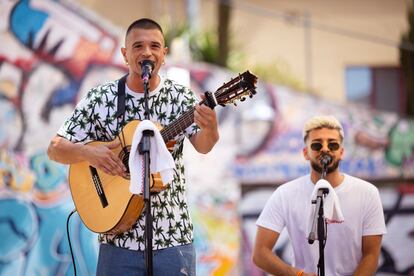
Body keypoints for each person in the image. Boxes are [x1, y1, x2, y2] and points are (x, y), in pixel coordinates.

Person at [47, 18, 219, 275]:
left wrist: (211, 127)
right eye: (138, 46)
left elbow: (203, 146)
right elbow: (55, 148)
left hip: (173, 238)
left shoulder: (181, 98)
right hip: (118, 242)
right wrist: (88, 152)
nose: (147, 52)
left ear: (164, 54)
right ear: (125, 54)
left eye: (154, 46)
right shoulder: (101, 99)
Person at [252, 115, 387, 276]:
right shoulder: (285, 194)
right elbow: (260, 253)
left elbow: (371, 255)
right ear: (305, 153)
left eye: (333, 144)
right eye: (316, 145)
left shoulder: (367, 193)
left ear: (341, 152)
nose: (325, 149)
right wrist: (298, 275)